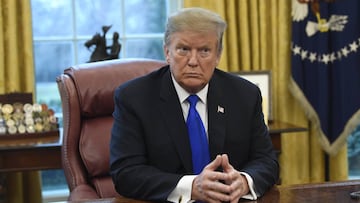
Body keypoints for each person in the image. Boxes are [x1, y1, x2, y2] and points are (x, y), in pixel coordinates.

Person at [110, 7, 279, 203]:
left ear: (218, 56)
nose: (193, 61)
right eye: (183, 49)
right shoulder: (134, 98)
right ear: (167, 52)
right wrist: (191, 187)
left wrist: (243, 181)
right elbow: (125, 173)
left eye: (204, 51)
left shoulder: (245, 95)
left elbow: (267, 161)